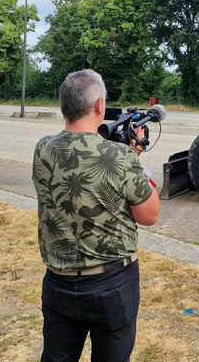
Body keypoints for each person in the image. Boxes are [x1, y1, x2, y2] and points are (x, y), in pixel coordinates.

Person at [32, 69, 160, 362]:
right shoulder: (120, 158)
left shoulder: (43, 149)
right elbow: (149, 214)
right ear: (101, 105)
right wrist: (133, 157)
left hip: (58, 282)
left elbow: (84, 171)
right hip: (111, 285)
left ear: (64, 105)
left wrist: (127, 155)